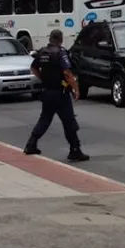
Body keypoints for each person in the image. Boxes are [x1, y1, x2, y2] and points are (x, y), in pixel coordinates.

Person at [24, 29, 89, 163]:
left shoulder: (42, 52)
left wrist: (43, 78)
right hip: (61, 93)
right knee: (69, 121)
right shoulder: (60, 53)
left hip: (47, 92)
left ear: (50, 38)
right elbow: (67, 73)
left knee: (45, 119)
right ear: (60, 39)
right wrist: (76, 89)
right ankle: (75, 150)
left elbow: (33, 68)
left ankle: (31, 144)